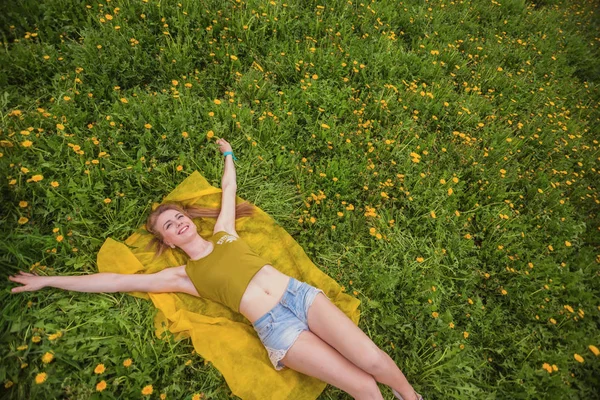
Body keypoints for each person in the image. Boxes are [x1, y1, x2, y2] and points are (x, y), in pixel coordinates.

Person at [9, 138, 423, 400]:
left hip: (299, 296)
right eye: (169, 225)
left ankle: (410, 396)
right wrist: (47, 279)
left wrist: (228, 154)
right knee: (363, 387)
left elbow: (229, 189)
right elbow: (115, 280)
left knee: (372, 359)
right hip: (277, 330)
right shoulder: (182, 277)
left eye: (178, 216)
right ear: (168, 241)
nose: (178, 223)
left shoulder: (225, 232)